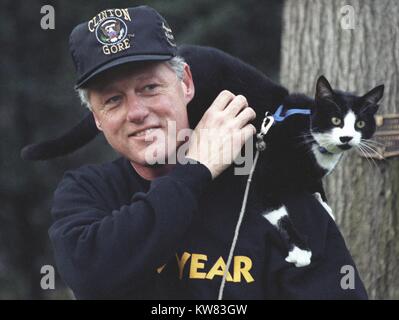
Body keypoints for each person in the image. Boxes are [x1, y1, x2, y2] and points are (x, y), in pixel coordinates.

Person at [49, 5, 368, 299]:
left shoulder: (272, 191)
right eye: (112, 100)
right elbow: (90, 274)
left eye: (149, 88)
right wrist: (196, 169)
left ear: (186, 83)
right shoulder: (88, 191)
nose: (135, 112)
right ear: (97, 119)